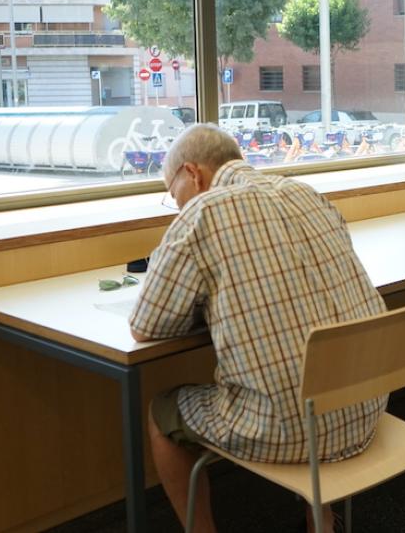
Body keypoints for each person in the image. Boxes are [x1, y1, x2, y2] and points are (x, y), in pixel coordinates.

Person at [129, 124, 386, 532]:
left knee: (161, 413)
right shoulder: (305, 193)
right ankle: (320, 517)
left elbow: (146, 326)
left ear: (192, 174)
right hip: (366, 404)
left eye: (172, 193)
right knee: (305, 351)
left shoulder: (201, 214)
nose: (176, 205)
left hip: (288, 429)